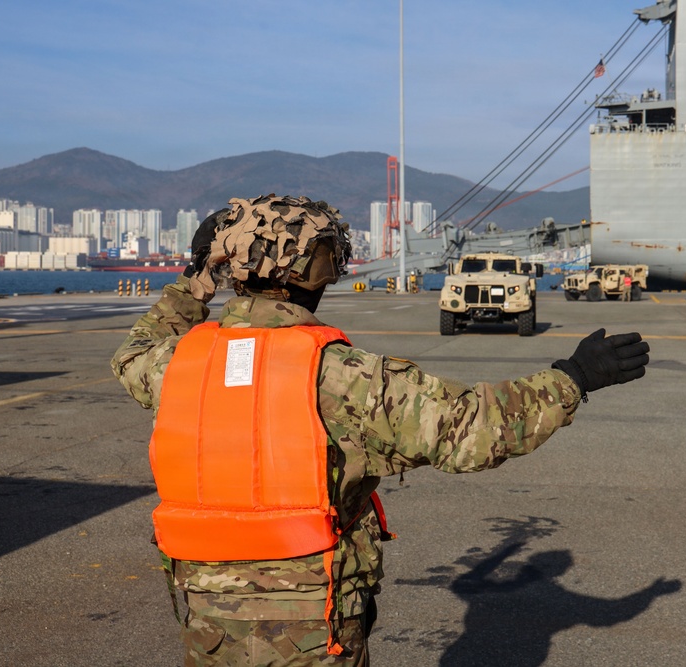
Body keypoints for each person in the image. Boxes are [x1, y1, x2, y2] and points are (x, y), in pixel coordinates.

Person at [110, 194, 650, 667]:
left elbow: (131, 354)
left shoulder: (177, 365)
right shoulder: (347, 378)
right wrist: (574, 378)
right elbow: (473, 430)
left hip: (207, 615)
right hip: (312, 626)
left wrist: (194, 278)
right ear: (317, 270)